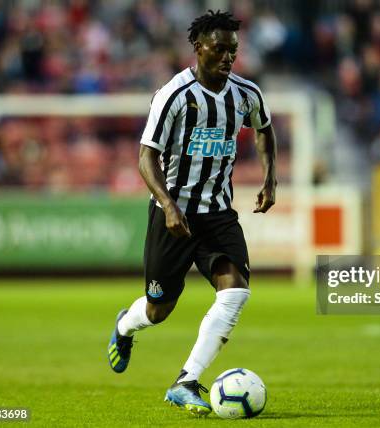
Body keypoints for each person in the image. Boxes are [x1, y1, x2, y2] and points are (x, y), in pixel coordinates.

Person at [106, 10, 277, 417]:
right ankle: (125, 326)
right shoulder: (174, 95)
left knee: (235, 292)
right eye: (219, 49)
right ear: (198, 47)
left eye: (232, 50)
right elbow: (147, 156)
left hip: (218, 213)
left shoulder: (245, 93)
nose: (227, 57)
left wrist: (270, 178)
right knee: (157, 309)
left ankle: (185, 381)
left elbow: (265, 128)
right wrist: (167, 205)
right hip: (175, 216)